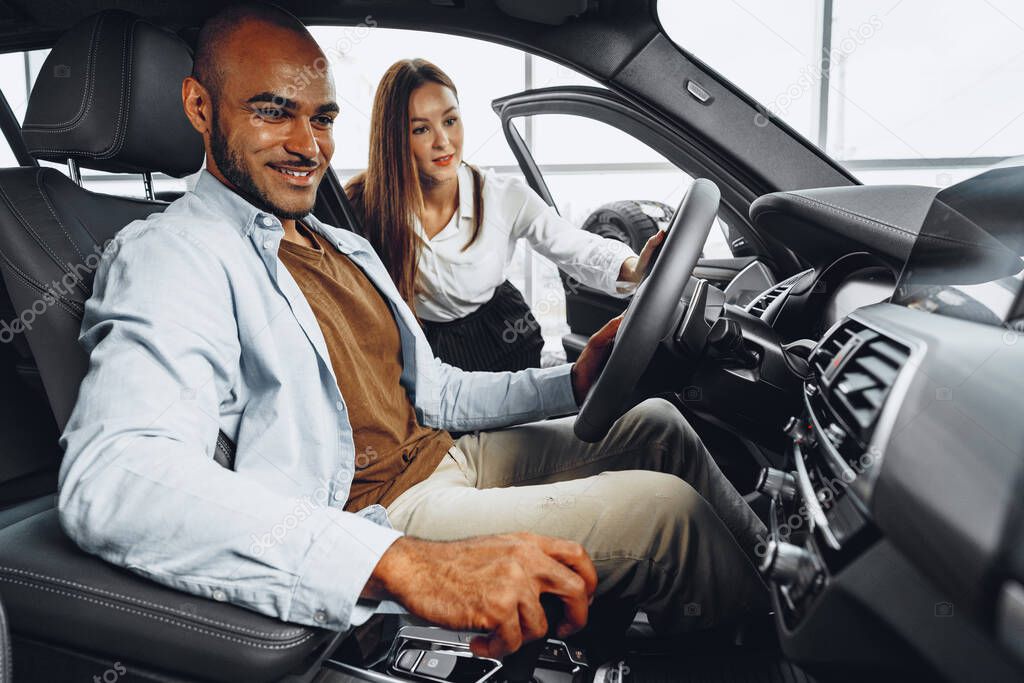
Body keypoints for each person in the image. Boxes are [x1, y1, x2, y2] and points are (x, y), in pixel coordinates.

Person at [58, 2, 766, 660]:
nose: (309, 146)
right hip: (383, 508)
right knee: (666, 514)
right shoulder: (173, 253)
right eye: (275, 113)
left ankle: (776, 570)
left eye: (323, 118)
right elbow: (115, 477)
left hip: (448, 454)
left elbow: (441, 391)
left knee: (658, 424)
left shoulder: (340, 244)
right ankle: (775, 646)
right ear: (199, 107)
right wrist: (396, 561)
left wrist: (570, 382)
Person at [346, 59, 664, 372]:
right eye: (421, 129)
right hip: (420, 345)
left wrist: (633, 267)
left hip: (501, 338)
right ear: (393, 137)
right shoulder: (362, 203)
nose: (443, 141)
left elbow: (573, 244)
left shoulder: (501, 195)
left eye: (450, 120)